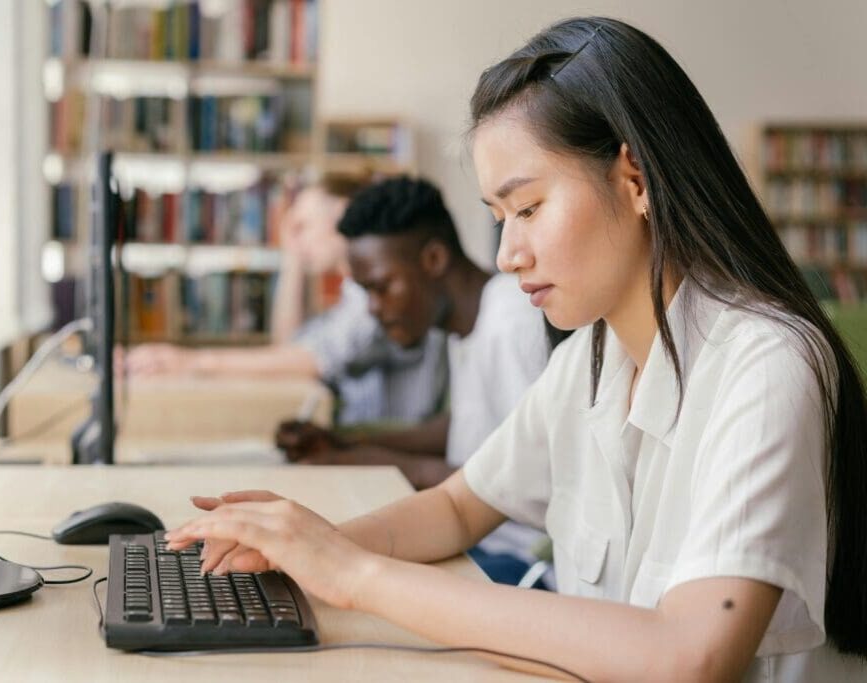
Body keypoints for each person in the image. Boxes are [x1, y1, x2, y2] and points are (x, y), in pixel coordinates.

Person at [165, 17, 867, 681]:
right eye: (499, 218)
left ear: (636, 178)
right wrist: (311, 546)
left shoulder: (768, 366)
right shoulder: (590, 358)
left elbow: (690, 656)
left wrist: (355, 575)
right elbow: (458, 508)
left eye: (528, 208)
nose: (507, 253)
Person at [275, 176, 559, 585]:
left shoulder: (511, 323)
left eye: (381, 287)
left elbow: (521, 483)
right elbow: (468, 430)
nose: (374, 308)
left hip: (522, 560)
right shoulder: (464, 325)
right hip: (481, 541)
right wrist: (347, 442)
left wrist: (361, 459)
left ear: (433, 260)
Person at [123, 175, 448, 426]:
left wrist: (190, 362)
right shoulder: (352, 296)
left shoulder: (377, 296)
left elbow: (310, 361)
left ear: (344, 213)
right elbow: (290, 347)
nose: (295, 236)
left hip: (386, 443)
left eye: (303, 225)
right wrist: (293, 257)